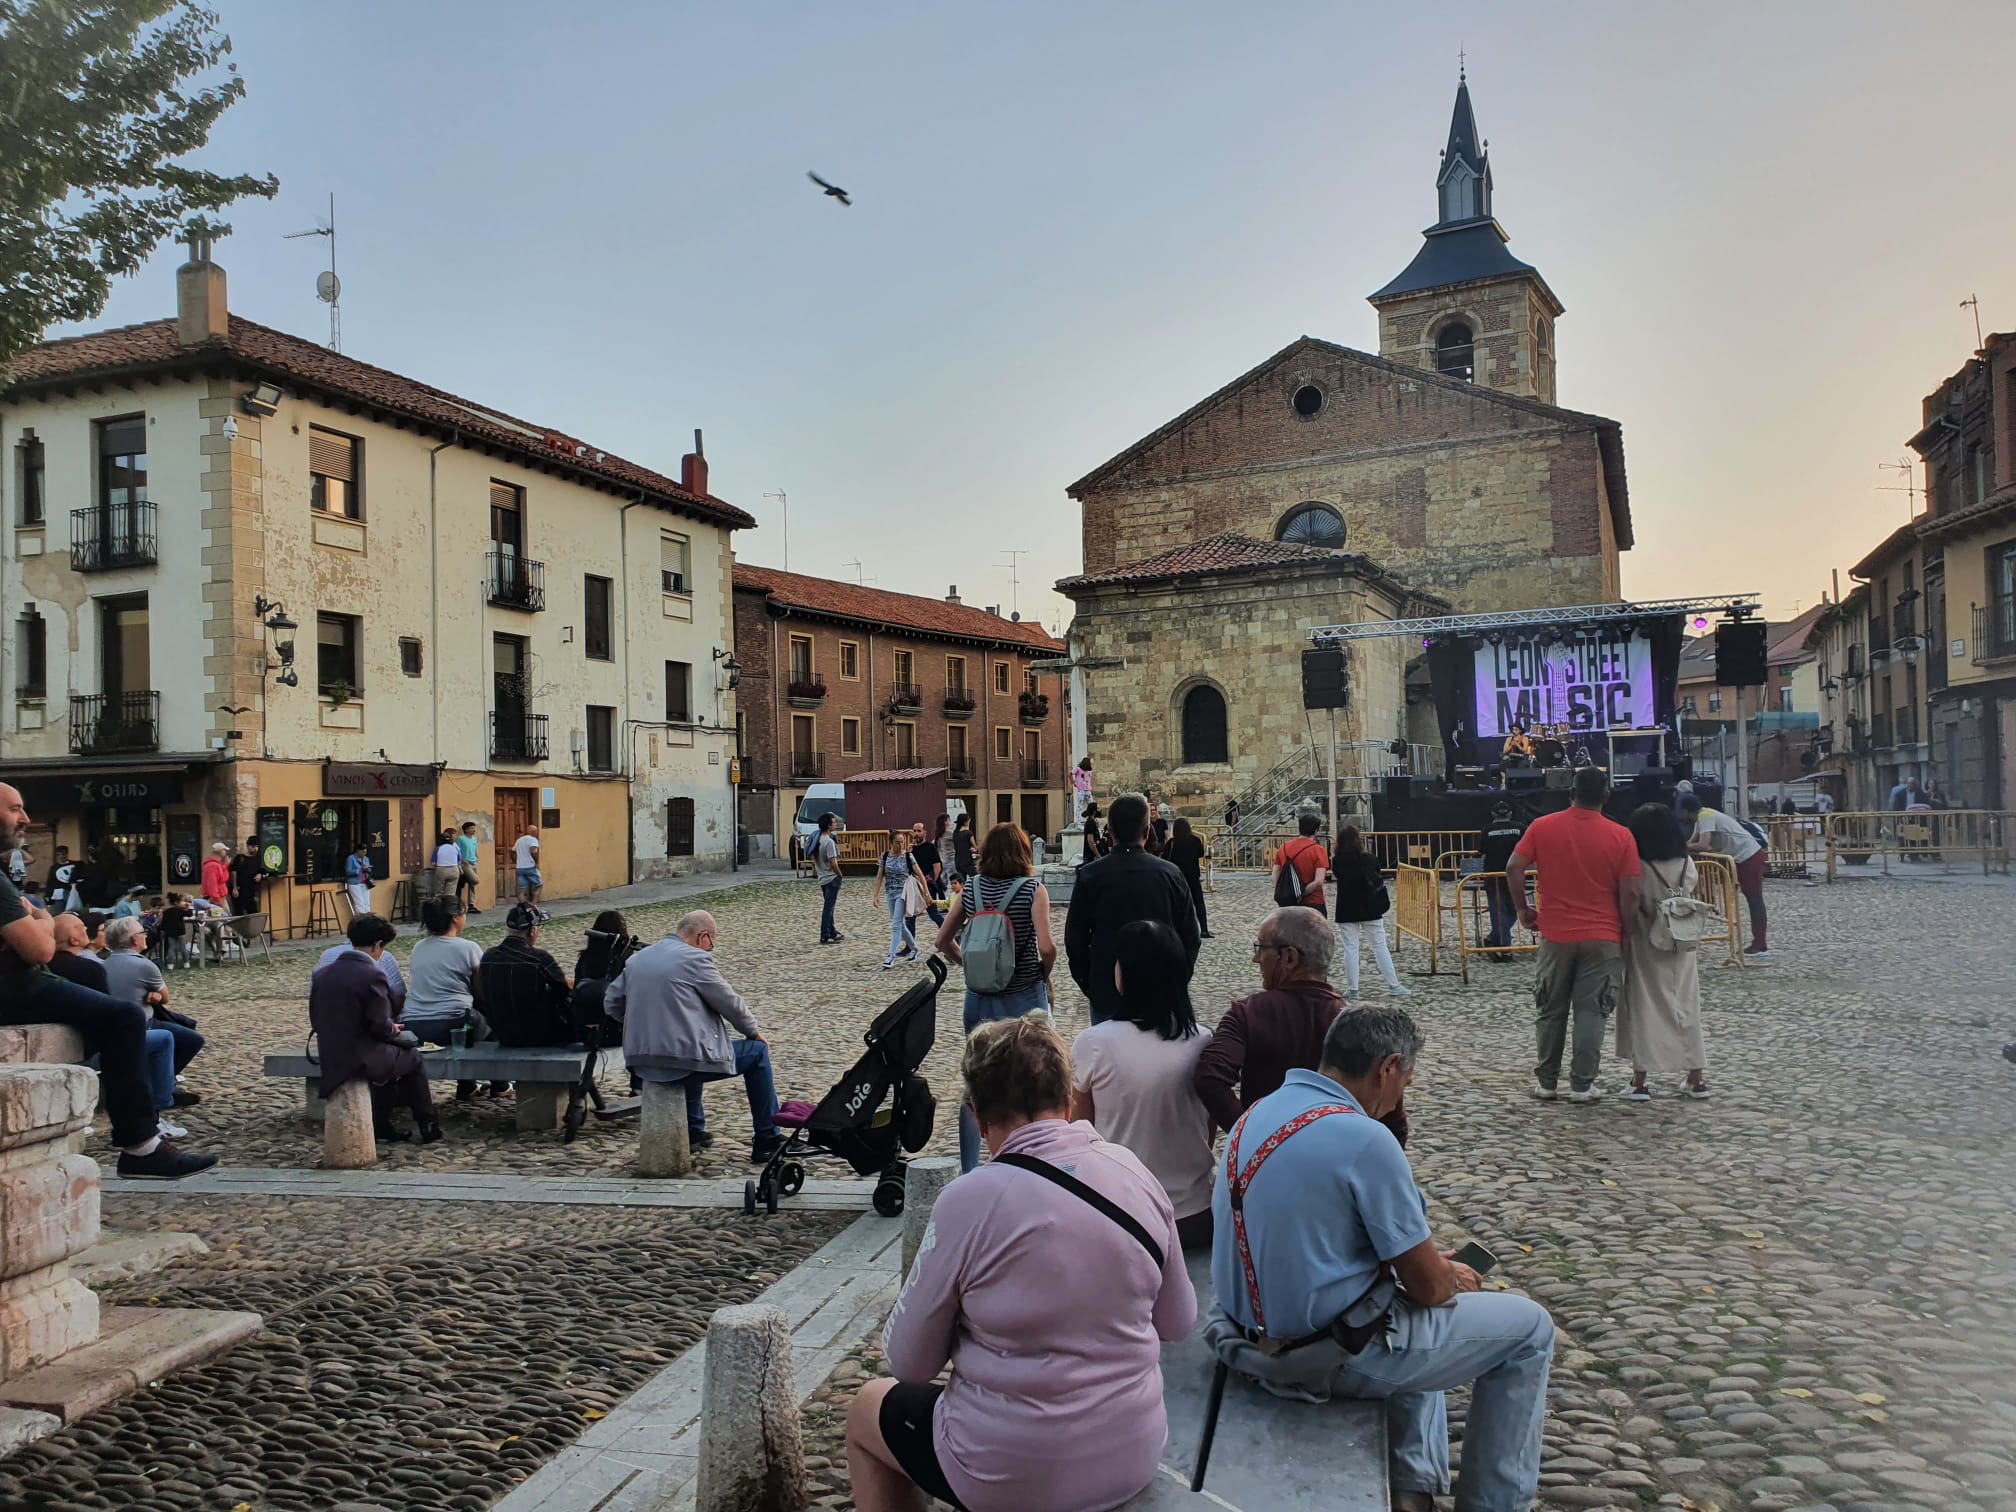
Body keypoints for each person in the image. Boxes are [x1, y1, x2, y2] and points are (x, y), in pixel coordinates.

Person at [1203, 1008, 1555, 1512]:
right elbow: (1431, 1288)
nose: (1398, 1100)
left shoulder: (1257, 1114)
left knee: (1413, 1314)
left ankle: (1412, 1492)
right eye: (1405, 1082)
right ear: (1387, 1068)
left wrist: (1418, 1269)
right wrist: (1442, 1273)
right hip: (1319, 1356)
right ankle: (1494, 1503)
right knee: (1529, 1331)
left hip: (1244, 1337)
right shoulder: (1366, 1140)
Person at [845, 1015, 1195, 1512]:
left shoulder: (970, 1200)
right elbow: (1178, 1322)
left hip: (1008, 1471)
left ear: (978, 1117)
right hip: (1131, 1448)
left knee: (866, 1410)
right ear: (1069, 1101)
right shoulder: (1132, 1171)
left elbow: (911, 1363)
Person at [0, 786, 213, 1179]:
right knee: (124, 1019)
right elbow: (40, 951)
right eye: (15, 810)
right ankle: (141, 1147)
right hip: (17, 986)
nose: (25, 819)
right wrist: (44, 921)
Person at [1071, 920, 1215, 1250]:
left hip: (1122, 1215)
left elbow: (1081, 1130)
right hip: (1195, 1212)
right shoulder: (1203, 1041)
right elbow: (1207, 1126)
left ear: (1124, 975)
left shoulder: (1095, 1043)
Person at [1505, 766, 1641, 1103]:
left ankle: (1547, 1081)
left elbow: (1513, 867)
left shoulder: (1542, 827)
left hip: (1555, 933)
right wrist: (1627, 931)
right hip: (1603, 934)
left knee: (1550, 1010)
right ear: (1606, 797)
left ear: (1571, 793)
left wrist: (1523, 909)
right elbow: (1631, 893)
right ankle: (1582, 1085)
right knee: (1591, 1012)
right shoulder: (1621, 836)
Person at [608, 910, 781, 1161]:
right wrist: (752, 1031)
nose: (710, 950)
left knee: (692, 1041)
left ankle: (694, 1131)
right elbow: (729, 1002)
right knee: (756, 1054)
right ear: (703, 937)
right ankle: (767, 1137)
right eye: (711, 944)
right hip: (681, 1059)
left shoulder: (638, 959)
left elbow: (611, 1003)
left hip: (641, 1061)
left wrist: (642, 1023)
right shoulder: (694, 959)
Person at [934, 822, 1056, 1172]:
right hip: (1023, 998)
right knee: (1035, 1081)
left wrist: (970, 967)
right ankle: (1031, 1162)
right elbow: (1046, 947)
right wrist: (1042, 973)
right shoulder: (1033, 889)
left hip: (979, 999)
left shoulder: (970, 889)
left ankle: (971, 1168)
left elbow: (942, 941)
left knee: (977, 1085)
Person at [1194, 906, 1357, 1130]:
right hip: (1333, 1154)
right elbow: (1390, 1111)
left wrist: (1249, 1135)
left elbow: (1210, 1077)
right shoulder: (1354, 1022)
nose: (1256, 959)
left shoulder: (1248, 1014)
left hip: (1264, 1158)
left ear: (1289, 957)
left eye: (1261, 948)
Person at [49, 915, 191, 1138]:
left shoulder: (49, 967)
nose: (87, 927)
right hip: (91, 1045)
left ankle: (162, 1096)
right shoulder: (89, 968)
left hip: (63, 1041)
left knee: (171, 1035)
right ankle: (159, 1107)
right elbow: (108, 1015)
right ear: (74, 940)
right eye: (81, 927)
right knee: (163, 1038)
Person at [1065, 793, 1199, 1026]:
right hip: (1160, 989)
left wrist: (1092, 985)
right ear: (1147, 832)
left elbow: (1074, 940)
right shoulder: (1170, 875)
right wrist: (1176, 981)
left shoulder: (1090, 876)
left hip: (1107, 992)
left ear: (1110, 833)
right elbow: (1190, 936)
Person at [310, 914, 443, 1144]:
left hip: (330, 1052)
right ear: (377, 946)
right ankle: (427, 1122)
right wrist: (393, 1030)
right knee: (412, 1058)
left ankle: (382, 1123)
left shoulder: (323, 973)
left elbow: (317, 1018)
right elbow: (380, 1025)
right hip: (359, 1055)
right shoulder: (371, 974)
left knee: (391, 1061)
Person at [1617, 805, 1708, 1101]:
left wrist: (1626, 932)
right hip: (1682, 939)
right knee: (1686, 1005)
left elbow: (1634, 896)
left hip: (1646, 938)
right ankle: (1695, 1076)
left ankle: (1640, 1079)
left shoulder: (1639, 864)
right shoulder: (1685, 862)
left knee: (1644, 1006)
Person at [101, 917, 206, 1086]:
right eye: (143, 933)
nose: (146, 937)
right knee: (192, 1040)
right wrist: (154, 995)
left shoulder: (104, 964)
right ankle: (163, 1081)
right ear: (134, 940)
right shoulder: (145, 965)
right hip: (143, 1024)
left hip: (116, 1025)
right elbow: (165, 997)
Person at [1680, 793, 1768, 961]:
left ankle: (1760, 944)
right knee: (1753, 900)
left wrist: (1680, 846)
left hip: (1748, 857)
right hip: (1742, 858)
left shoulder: (1705, 816)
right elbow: (1692, 844)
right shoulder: (1702, 817)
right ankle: (1759, 943)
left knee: (1755, 900)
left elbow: (1702, 845)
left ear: (1685, 811)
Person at [477, 905, 574, 1048]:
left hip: (503, 1034)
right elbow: (564, 990)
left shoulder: (488, 957)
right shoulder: (539, 958)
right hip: (539, 1034)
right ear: (533, 930)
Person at [1332, 825, 1408, 999]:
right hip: (1370, 907)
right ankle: (1394, 984)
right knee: (1380, 946)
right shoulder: (1371, 859)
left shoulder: (1337, 861)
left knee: (1350, 948)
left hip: (1347, 907)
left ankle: (1353, 989)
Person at [403, 897, 488, 1048]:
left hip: (413, 1021)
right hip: (454, 1020)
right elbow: (481, 990)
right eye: (464, 913)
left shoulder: (419, 947)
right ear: (455, 917)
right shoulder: (468, 948)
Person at [315, 917, 408, 1014]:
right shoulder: (381, 964)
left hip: (326, 1021)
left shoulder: (326, 956)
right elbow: (399, 997)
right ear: (377, 945)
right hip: (364, 1024)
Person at [1478, 802, 1527, 952]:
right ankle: (1502, 943)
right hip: (1517, 875)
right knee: (1514, 909)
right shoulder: (1520, 829)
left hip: (1493, 876)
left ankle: (1500, 944)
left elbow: (1482, 851)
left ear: (1493, 814)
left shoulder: (1486, 831)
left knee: (1498, 910)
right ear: (1510, 814)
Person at [1271, 810, 1329, 912]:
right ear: (1316, 831)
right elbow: (1319, 881)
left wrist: (1286, 891)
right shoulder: (1318, 850)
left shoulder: (1284, 848)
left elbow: (1275, 872)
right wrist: (1301, 893)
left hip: (1288, 903)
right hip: (1313, 901)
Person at [879, 831, 922, 969]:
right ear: (891, 842)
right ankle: (915, 948)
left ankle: (890, 956)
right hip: (889, 892)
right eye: (898, 841)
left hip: (903, 893)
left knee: (896, 924)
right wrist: (875, 895)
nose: (901, 844)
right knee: (899, 924)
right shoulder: (885, 856)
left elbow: (919, 874)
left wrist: (926, 894)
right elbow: (880, 875)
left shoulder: (908, 856)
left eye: (902, 841)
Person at [1165, 816, 1211, 938]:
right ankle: (1204, 929)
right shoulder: (1195, 840)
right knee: (1199, 903)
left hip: (1177, 877)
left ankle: (1178, 929)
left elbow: (1165, 858)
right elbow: (1200, 853)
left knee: (1178, 905)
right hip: (1193, 876)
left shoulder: (1172, 843)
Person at [812, 811, 845, 945]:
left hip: (822, 877)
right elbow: (833, 862)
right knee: (828, 907)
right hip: (831, 877)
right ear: (828, 825)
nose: (835, 824)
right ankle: (825, 934)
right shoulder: (828, 842)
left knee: (829, 906)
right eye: (833, 822)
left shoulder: (817, 840)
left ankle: (832, 931)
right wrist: (840, 874)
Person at [908, 822, 946, 928]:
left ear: (924, 833)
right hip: (914, 886)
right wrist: (907, 854)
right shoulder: (911, 850)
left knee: (933, 913)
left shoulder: (931, 848)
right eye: (914, 831)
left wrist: (929, 882)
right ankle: (910, 944)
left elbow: (937, 868)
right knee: (910, 916)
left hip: (928, 885)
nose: (916, 833)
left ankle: (949, 934)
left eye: (919, 831)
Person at [512, 824, 547, 920]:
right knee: (539, 884)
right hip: (530, 867)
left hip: (520, 867)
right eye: (536, 831)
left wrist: (516, 861)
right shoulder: (533, 840)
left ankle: (523, 908)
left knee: (522, 889)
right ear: (534, 832)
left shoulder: (519, 840)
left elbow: (513, 851)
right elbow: (533, 851)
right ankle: (533, 904)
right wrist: (536, 862)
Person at [229, 836, 265, 918]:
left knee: (253, 913)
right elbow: (234, 872)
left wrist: (260, 874)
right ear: (248, 846)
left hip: (251, 890)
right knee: (239, 914)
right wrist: (234, 888)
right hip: (239, 889)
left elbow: (263, 870)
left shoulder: (257, 859)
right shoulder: (240, 858)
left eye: (257, 847)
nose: (255, 849)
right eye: (253, 846)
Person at [455, 821, 483, 914]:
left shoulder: (474, 839)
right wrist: (462, 860)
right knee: (475, 880)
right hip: (465, 864)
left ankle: (471, 904)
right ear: (466, 830)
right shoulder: (461, 839)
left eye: (474, 828)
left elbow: (475, 850)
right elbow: (456, 850)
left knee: (472, 885)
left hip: (473, 862)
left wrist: (476, 857)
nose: (474, 830)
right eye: (471, 828)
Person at [343, 842, 374, 918]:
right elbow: (348, 872)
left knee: (367, 902)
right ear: (358, 851)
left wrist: (368, 869)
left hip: (365, 882)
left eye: (365, 852)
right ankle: (361, 919)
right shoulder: (351, 858)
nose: (364, 854)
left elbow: (369, 870)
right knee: (359, 902)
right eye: (363, 852)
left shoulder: (366, 859)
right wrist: (359, 870)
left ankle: (368, 919)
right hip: (354, 883)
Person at [431, 829, 461, 902]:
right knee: (451, 893)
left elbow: (433, 862)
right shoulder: (455, 848)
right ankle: (449, 910)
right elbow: (459, 860)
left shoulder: (438, 848)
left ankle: (439, 910)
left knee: (439, 892)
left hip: (441, 870)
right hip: (454, 870)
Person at [201, 842, 230, 910]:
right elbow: (212, 884)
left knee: (226, 917)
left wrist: (225, 865)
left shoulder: (215, 865)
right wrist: (217, 900)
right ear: (219, 851)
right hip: (216, 898)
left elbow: (220, 877)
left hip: (218, 897)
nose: (226, 852)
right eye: (224, 850)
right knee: (224, 917)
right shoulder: (212, 866)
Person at [950, 811, 977, 887]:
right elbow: (975, 847)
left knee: (962, 882)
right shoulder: (968, 833)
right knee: (976, 878)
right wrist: (974, 850)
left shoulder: (955, 834)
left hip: (958, 861)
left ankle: (962, 896)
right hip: (968, 861)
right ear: (965, 822)